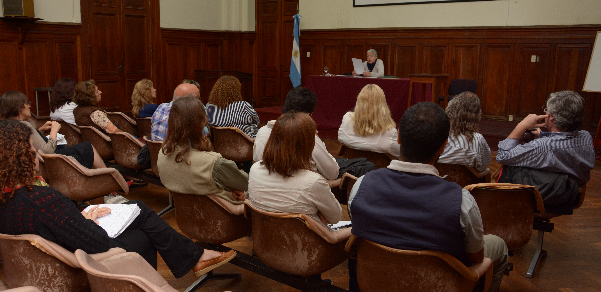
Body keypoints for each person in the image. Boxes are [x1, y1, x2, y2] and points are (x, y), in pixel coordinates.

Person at [0, 119, 236, 278]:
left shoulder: (9, 198)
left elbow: (55, 226)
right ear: (20, 158)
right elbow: (98, 243)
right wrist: (89, 221)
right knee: (141, 232)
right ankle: (193, 258)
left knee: (136, 208)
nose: (36, 155)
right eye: (31, 150)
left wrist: (79, 218)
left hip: (41, 270)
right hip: (78, 267)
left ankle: (194, 257)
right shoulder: (43, 200)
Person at [349, 102, 508, 292]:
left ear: (399, 137)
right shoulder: (462, 202)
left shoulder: (361, 186)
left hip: (374, 283)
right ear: (443, 146)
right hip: (439, 285)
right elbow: (476, 257)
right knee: (498, 245)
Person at [248, 112, 342, 227]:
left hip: (265, 241)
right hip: (308, 243)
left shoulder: (254, 170)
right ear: (308, 145)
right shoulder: (313, 182)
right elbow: (335, 218)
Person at [157, 96, 248, 207]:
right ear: (201, 122)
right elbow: (246, 183)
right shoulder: (214, 164)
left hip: (186, 218)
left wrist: (228, 189)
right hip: (225, 217)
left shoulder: (163, 153)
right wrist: (231, 190)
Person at [496, 91, 595, 186]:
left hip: (549, 196)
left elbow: (503, 156)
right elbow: (562, 141)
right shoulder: (586, 137)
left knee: (508, 167)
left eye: (546, 109)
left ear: (551, 116)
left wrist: (522, 125)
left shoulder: (543, 147)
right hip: (573, 192)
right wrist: (543, 135)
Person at [0, 91, 105, 170]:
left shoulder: (5, 126)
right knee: (87, 148)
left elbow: (27, 141)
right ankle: (108, 181)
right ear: (19, 108)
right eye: (26, 103)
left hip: (27, 166)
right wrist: (54, 131)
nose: (29, 106)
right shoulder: (25, 125)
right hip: (51, 164)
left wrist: (40, 131)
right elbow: (48, 152)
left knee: (82, 148)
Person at [253, 87, 340, 181]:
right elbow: (332, 173)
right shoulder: (307, 136)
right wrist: (316, 138)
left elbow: (258, 160)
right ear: (307, 115)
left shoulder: (262, 131)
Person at [338, 84, 399, 159]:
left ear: (359, 101)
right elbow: (400, 155)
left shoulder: (347, 119)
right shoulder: (390, 132)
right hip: (380, 169)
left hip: (350, 168)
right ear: (383, 104)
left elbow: (341, 138)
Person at [438, 91, 491, 172]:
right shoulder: (478, 140)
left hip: (436, 181)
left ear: (450, 109)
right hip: (467, 184)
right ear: (477, 116)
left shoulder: (437, 135)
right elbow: (482, 167)